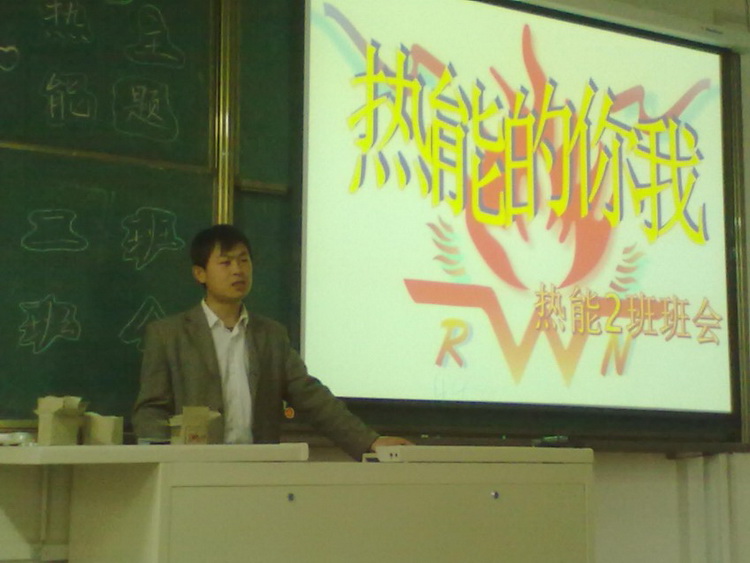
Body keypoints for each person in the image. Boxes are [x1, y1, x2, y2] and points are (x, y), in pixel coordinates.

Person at [132, 224, 412, 459]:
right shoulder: (168, 335)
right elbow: (150, 410)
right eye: (226, 262)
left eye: (244, 260)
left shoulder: (271, 336)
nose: (237, 270)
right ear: (200, 273)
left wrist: (369, 441)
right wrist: (166, 458)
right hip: (191, 472)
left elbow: (312, 398)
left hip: (260, 471)